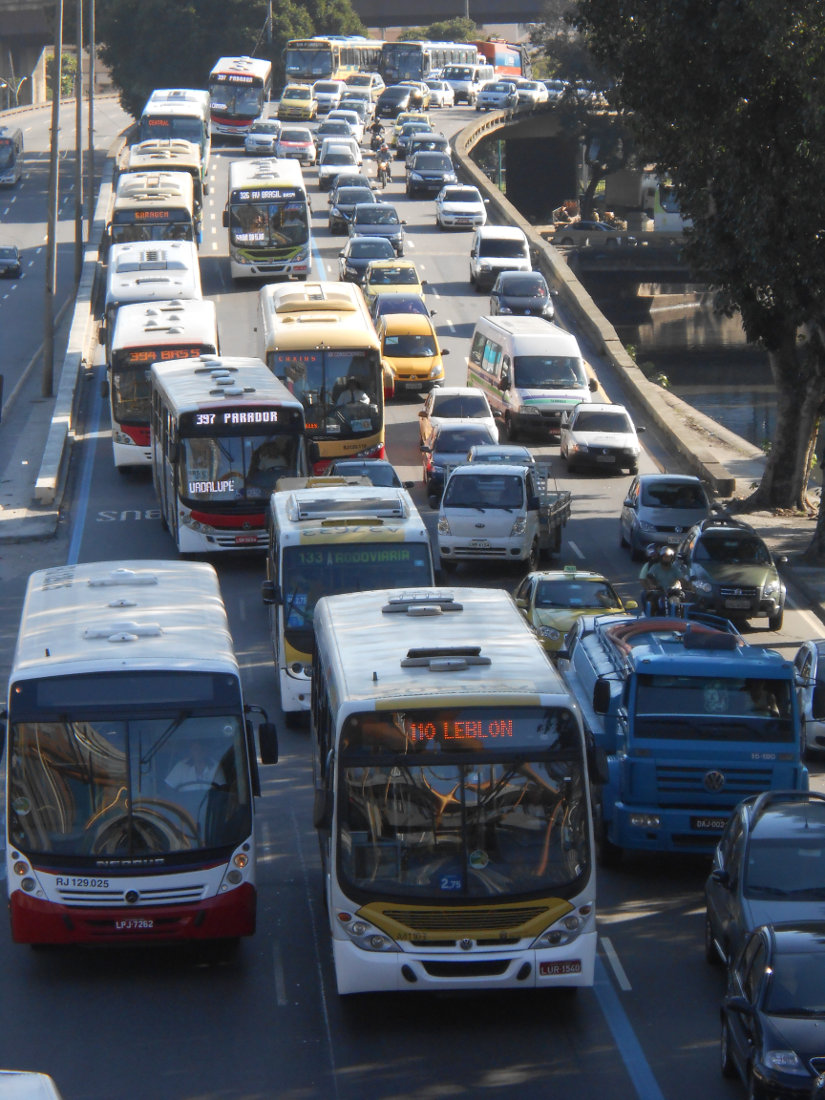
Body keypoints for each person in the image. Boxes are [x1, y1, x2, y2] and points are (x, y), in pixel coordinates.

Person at [639, 545, 684, 615]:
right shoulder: (654, 567)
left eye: (669, 557)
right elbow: (647, 578)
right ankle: (650, 619)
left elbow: (681, 579)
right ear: (661, 557)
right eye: (665, 557)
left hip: (672, 594)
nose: (667, 559)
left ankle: (679, 620)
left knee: (680, 604)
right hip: (658, 592)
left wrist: (688, 586)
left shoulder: (675, 568)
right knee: (651, 603)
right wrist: (651, 586)